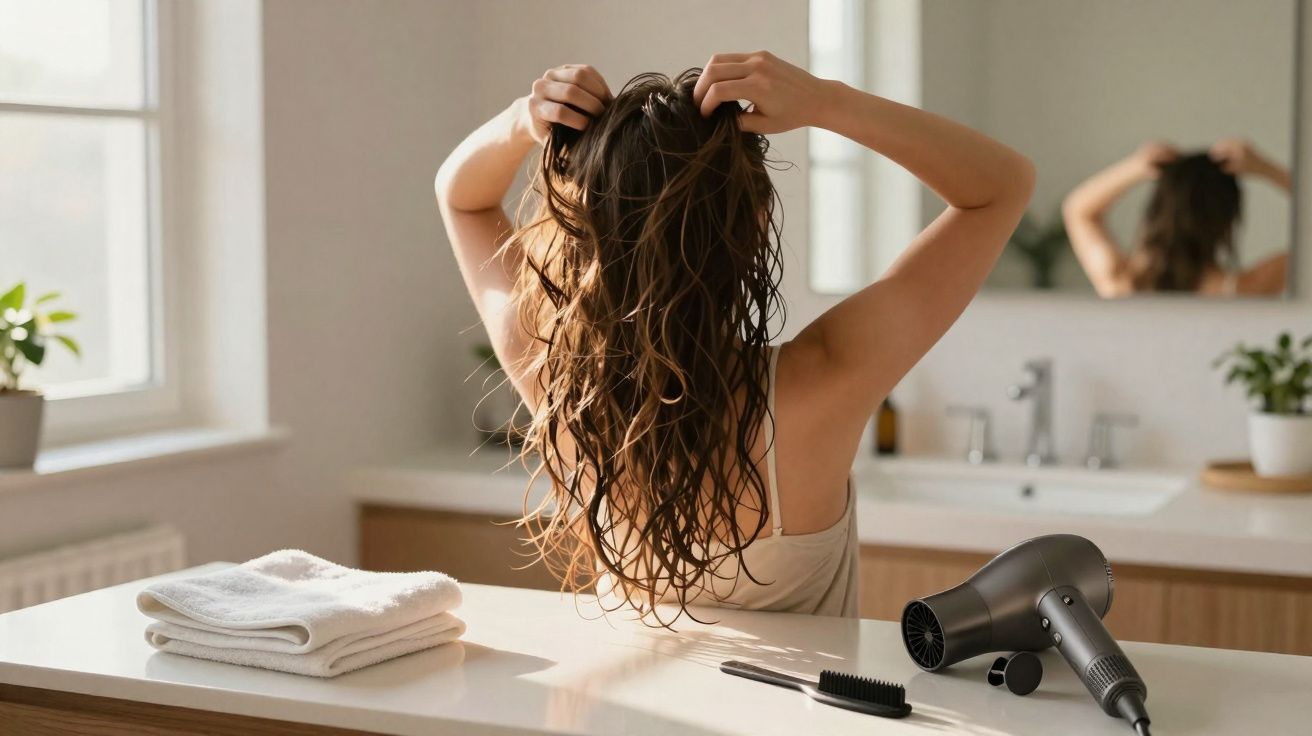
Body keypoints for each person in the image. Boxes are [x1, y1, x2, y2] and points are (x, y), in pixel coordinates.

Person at [435, 52, 1033, 625]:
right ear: (756, 225)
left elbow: (462, 200)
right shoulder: (823, 380)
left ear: (584, 234)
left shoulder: (558, 381)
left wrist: (524, 119)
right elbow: (1001, 186)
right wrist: (826, 102)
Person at [1062, 138, 1291, 297]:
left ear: (1156, 211)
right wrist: (1265, 168)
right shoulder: (1245, 289)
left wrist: (1135, 167)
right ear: (1228, 220)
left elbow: (1078, 211)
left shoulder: (1121, 283)